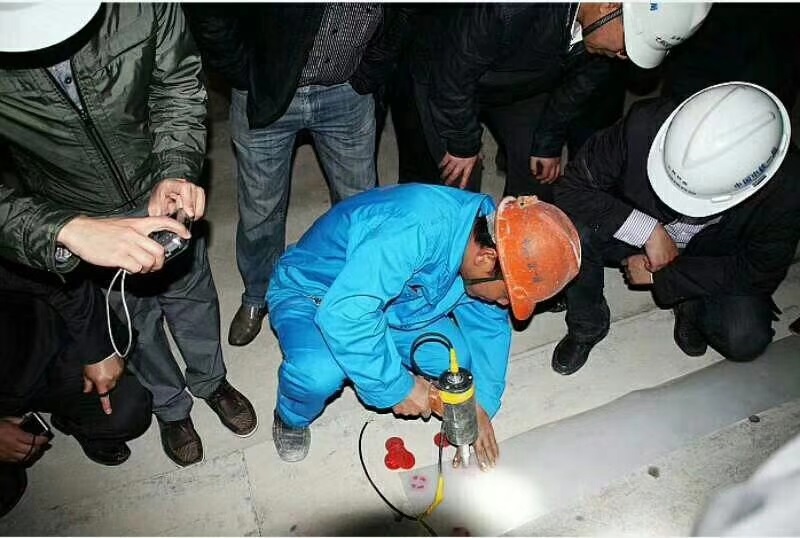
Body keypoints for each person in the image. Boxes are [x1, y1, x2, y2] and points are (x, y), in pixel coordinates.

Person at [0, 2, 256, 467]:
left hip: (154, 181)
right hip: (75, 212)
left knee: (192, 295)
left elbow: (176, 83)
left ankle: (211, 381)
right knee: (131, 320)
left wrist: (176, 166)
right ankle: (170, 407)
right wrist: (62, 228)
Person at [266, 184, 582, 467]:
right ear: (486, 259)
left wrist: (479, 406)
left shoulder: (487, 240)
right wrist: (398, 386)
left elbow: (489, 330)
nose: (503, 305)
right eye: (506, 296)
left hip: (393, 307)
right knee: (318, 374)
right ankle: (291, 416)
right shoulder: (414, 230)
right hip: (316, 295)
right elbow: (345, 315)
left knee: (456, 361)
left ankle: (374, 353)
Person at [185, 4, 413, 347]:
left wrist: (369, 73)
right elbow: (210, 13)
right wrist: (243, 73)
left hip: (347, 92)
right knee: (261, 210)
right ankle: (258, 294)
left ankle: (360, 292)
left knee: (361, 205)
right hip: (266, 88)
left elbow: (403, 14)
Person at [551, 82, 799, 375]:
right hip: (634, 228)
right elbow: (571, 188)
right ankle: (587, 325)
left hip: (709, 258)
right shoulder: (644, 124)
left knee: (744, 337)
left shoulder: (788, 190)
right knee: (573, 228)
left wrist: (666, 276)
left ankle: (690, 304)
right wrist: (647, 231)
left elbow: (757, 272)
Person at [398, 2, 711, 197]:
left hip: (519, 80)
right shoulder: (510, 7)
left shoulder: (605, 42)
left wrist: (546, 144)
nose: (624, 56)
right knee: (456, 183)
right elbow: (454, 73)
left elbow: (574, 90)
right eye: (630, 44)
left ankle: (514, 248)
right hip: (444, 74)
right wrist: (463, 143)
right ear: (609, 6)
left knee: (538, 176)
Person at [0, 260, 152, 518]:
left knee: (129, 408)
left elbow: (62, 279)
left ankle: (73, 423)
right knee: (6, 491)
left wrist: (97, 351)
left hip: (45, 353)